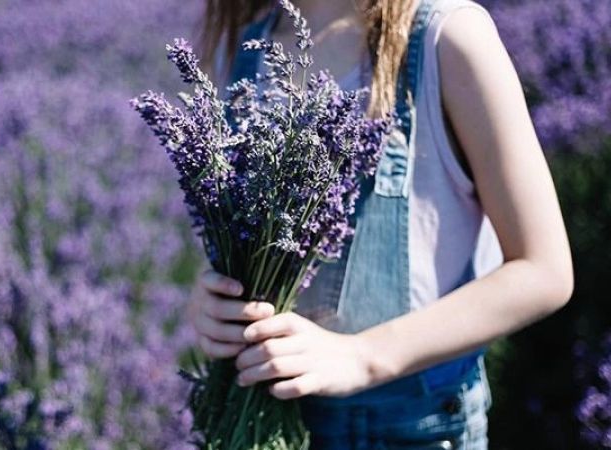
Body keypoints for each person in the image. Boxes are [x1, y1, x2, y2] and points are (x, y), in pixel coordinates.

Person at [185, 0, 574, 448]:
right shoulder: (245, 44)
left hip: (414, 428)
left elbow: (543, 270)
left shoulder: (446, 37)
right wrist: (213, 300)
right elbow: (239, 230)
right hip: (265, 416)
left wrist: (363, 356)